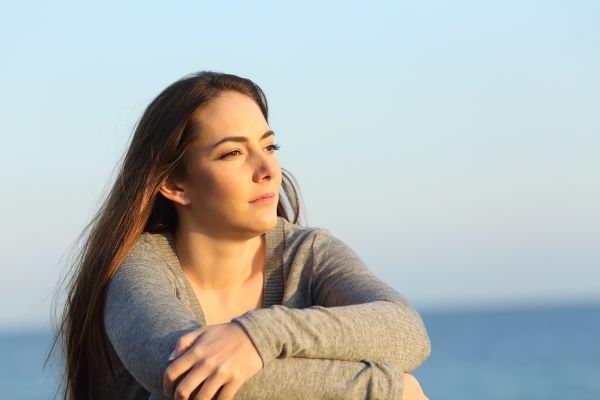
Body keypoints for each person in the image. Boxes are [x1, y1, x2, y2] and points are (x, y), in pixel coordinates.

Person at [55, 71, 431, 400]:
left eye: (269, 146)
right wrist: (385, 389)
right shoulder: (136, 271)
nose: (267, 168)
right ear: (173, 183)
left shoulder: (307, 253)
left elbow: (407, 333)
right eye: (233, 153)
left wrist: (258, 335)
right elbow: (187, 379)